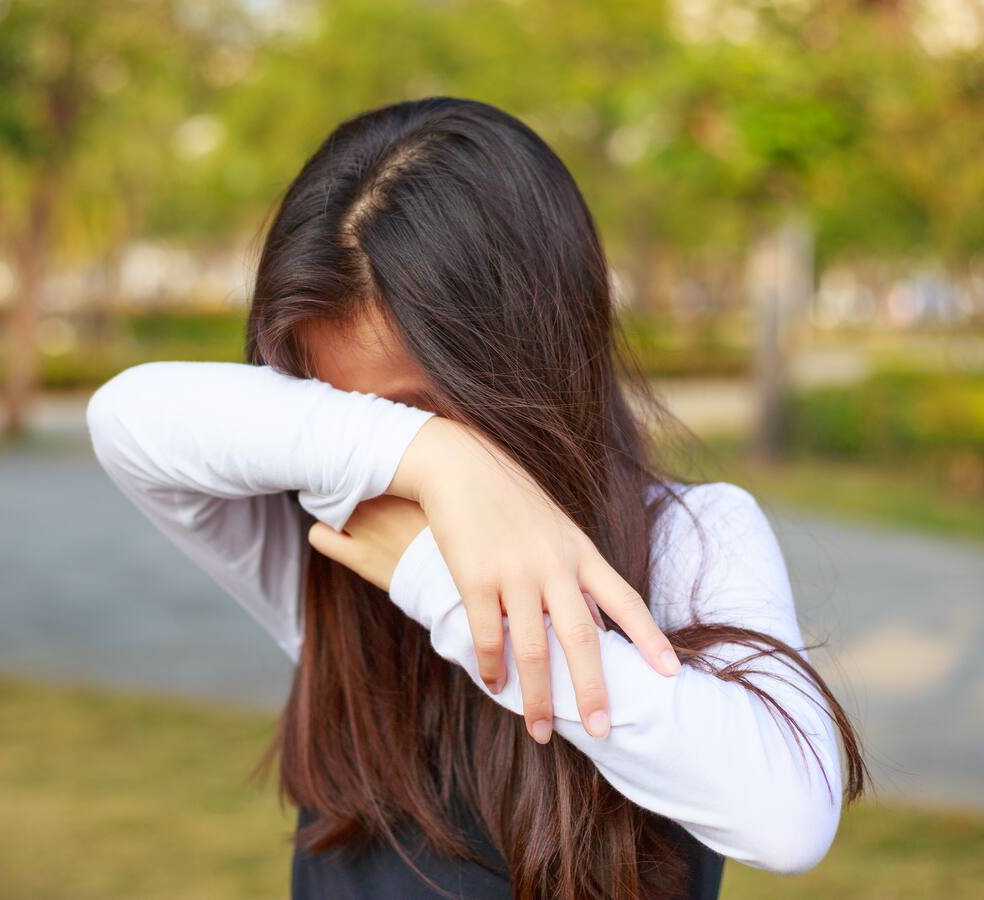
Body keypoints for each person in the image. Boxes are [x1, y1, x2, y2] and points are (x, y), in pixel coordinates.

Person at [86, 97, 865, 899]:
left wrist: (445, 585)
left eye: (418, 407)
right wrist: (433, 453)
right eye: (337, 410)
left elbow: (787, 819)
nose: (387, 465)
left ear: (522, 360)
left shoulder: (687, 538)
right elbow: (125, 418)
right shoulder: (331, 541)